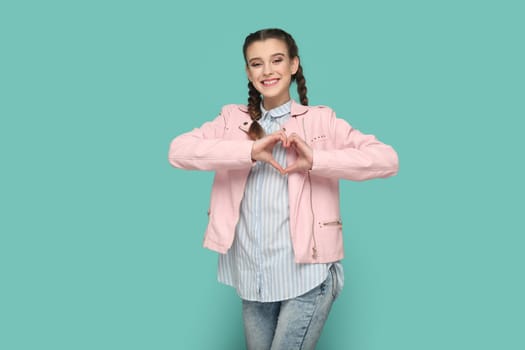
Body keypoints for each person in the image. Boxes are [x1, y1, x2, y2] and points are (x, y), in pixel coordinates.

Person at [168, 28, 399, 350]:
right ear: (248, 72)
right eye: (256, 63)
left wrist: (316, 159)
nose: (268, 71)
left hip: (307, 275)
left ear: (293, 65)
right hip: (253, 279)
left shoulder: (320, 121)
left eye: (277, 60)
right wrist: (248, 152)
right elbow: (178, 152)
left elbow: (387, 160)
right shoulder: (230, 120)